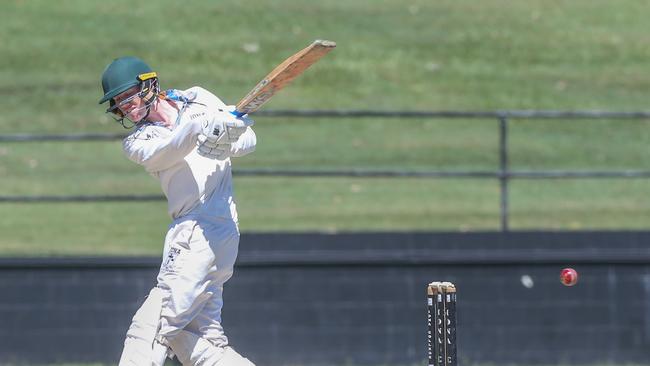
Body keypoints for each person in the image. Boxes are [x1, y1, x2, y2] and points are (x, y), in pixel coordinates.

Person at [98, 56, 257, 366]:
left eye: (127, 96)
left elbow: (248, 139)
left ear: (148, 84)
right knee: (201, 338)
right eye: (118, 103)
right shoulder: (139, 140)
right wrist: (201, 127)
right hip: (203, 234)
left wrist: (228, 140)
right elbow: (170, 148)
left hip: (204, 233)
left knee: (153, 327)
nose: (126, 107)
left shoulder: (199, 98)